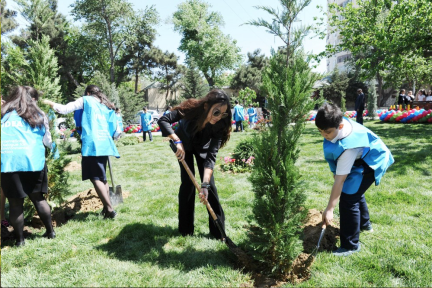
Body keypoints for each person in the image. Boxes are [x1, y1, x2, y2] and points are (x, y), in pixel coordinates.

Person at [315, 103, 394, 256]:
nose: (324, 135)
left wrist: (329, 209)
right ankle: (364, 225)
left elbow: (340, 181)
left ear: (341, 125)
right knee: (354, 190)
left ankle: (350, 245)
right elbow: (338, 173)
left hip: (372, 160)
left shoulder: (348, 146)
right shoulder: (333, 124)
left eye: (328, 132)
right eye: (320, 131)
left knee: (348, 198)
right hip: (361, 156)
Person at [158, 89, 232, 239]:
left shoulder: (219, 125)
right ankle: (185, 230)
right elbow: (163, 120)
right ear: (206, 106)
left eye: (223, 113)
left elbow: (211, 157)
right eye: (216, 112)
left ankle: (218, 232)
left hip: (202, 148)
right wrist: (176, 141)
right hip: (183, 145)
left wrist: (204, 185)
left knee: (210, 185)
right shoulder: (191, 109)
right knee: (188, 184)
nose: (219, 117)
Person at [43, 85, 120, 219]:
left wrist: (49, 103)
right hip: (104, 143)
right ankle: (106, 207)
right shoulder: (104, 104)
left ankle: (109, 210)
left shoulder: (86, 100)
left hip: (92, 144)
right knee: (102, 177)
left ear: (88, 93)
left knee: (95, 177)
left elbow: (64, 109)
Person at [1, 86, 56, 246]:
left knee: (15, 203)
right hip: (33, 161)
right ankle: (50, 232)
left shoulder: (4, 115)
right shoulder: (38, 114)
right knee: (38, 198)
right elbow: (47, 140)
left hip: (9, 162)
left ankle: (20, 240)